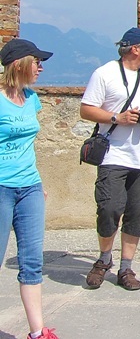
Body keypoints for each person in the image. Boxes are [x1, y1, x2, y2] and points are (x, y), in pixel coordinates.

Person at [80, 27, 140, 291]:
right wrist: (117, 118)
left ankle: (126, 267)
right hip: (113, 156)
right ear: (135, 48)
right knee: (109, 209)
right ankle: (103, 260)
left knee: (137, 214)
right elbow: (86, 109)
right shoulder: (104, 74)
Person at [0, 39, 59, 339]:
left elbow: (28, 147)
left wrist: (37, 184)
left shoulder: (32, 98)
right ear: (20, 64)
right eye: (37, 61)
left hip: (29, 189)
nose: (40, 67)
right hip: (1, 188)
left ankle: (38, 333)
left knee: (32, 262)